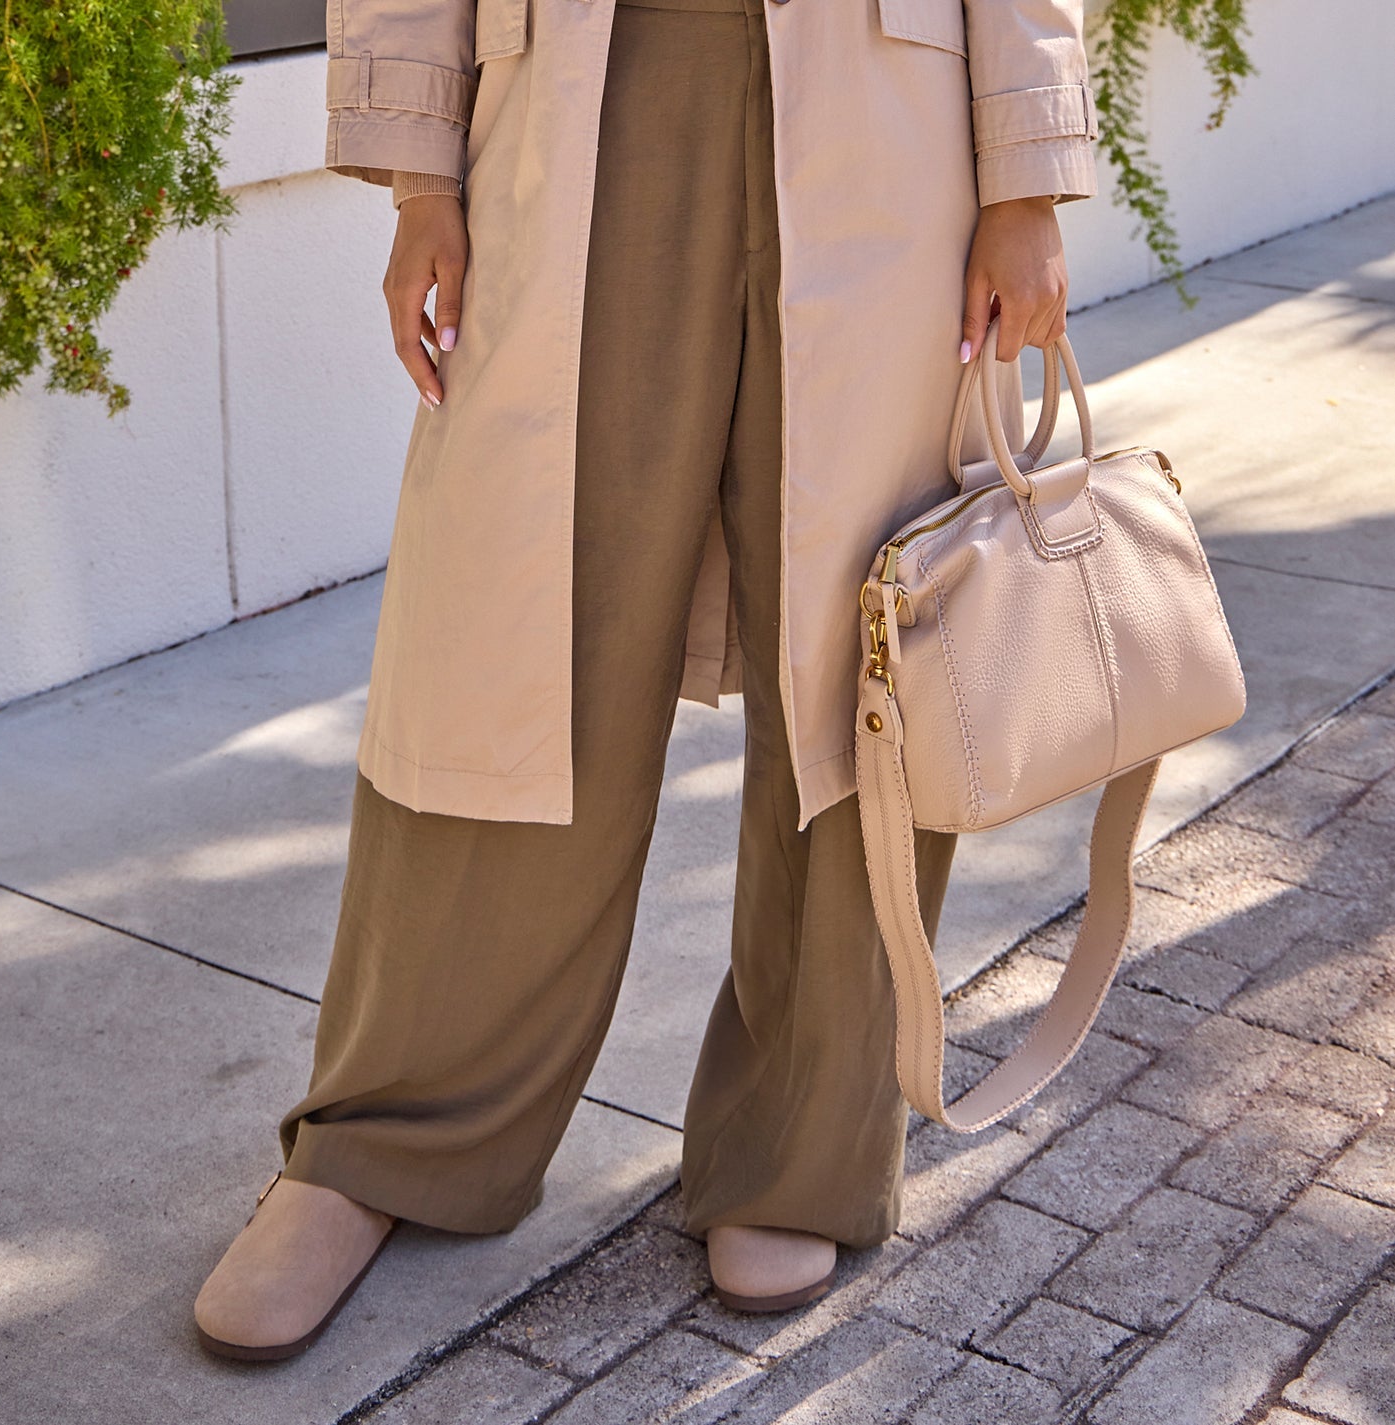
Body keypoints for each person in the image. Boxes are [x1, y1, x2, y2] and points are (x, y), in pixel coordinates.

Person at [194, 0, 1095, 1361]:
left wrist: (1023, 181)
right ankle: (384, 1141)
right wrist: (422, 178)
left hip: (885, 103)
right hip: (581, 81)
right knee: (504, 643)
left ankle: (799, 1147)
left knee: (861, 645)